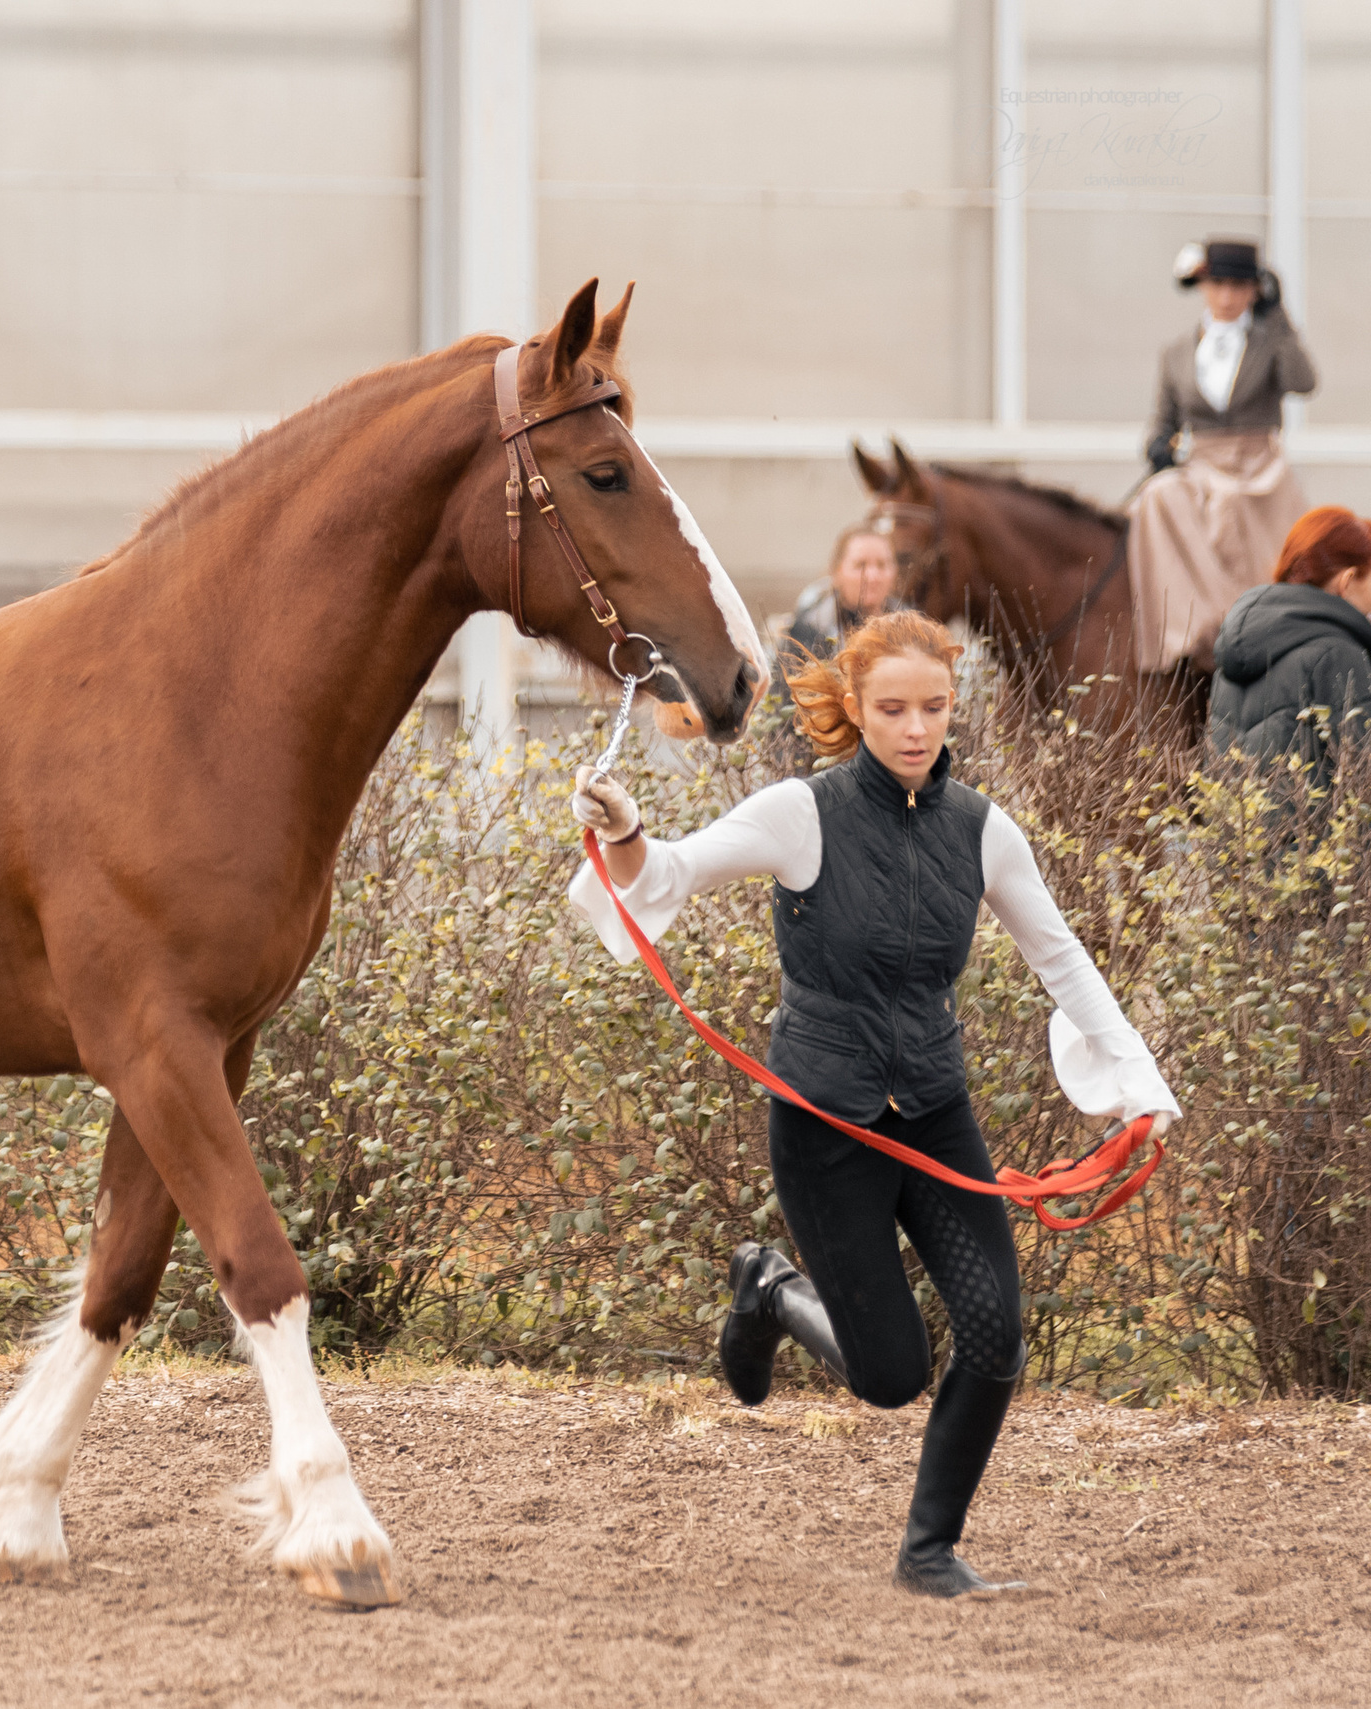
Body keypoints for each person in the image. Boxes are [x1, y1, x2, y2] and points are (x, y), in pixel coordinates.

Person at [566, 611, 1179, 1598]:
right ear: (854, 707)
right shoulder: (797, 813)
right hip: (826, 1123)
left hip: (934, 1109)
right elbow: (667, 871)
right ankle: (767, 1289)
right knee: (889, 1373)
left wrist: (1138, 1086)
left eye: (932, 707)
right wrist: (628, 829)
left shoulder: (983, 829)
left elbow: (1057, 954)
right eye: (892, 707)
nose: (914, 727)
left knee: (993, 1337)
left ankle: (929, 1550)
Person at [1127, 236, 1319, 676]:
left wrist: (1280, 320)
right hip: (1202, 463)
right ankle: (1190, 633)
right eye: (1218, 285)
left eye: (1238, 287)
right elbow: (1164, 420)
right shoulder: (1176, 352)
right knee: (1156, 498)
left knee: (1230, 504)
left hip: (1259, 467)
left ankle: (1259, 627)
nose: (1227, 297)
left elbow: (1304, 382)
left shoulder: (1269, 342)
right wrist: (1157, 445)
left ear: (1255, 291)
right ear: (1203, 287)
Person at [1210, 506, 1371, 798]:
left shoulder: (1232, 653)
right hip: (1311, 843)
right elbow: (1363, 783)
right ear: (1347, 581)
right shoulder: (1338, 656)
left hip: (1232, 840)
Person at [775, 525, 907, 697]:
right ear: (837, 572)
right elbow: (786, 702)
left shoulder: (912, 629)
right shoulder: (807, 631)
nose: (873, 576)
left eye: (882, 565)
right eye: (861, 565)